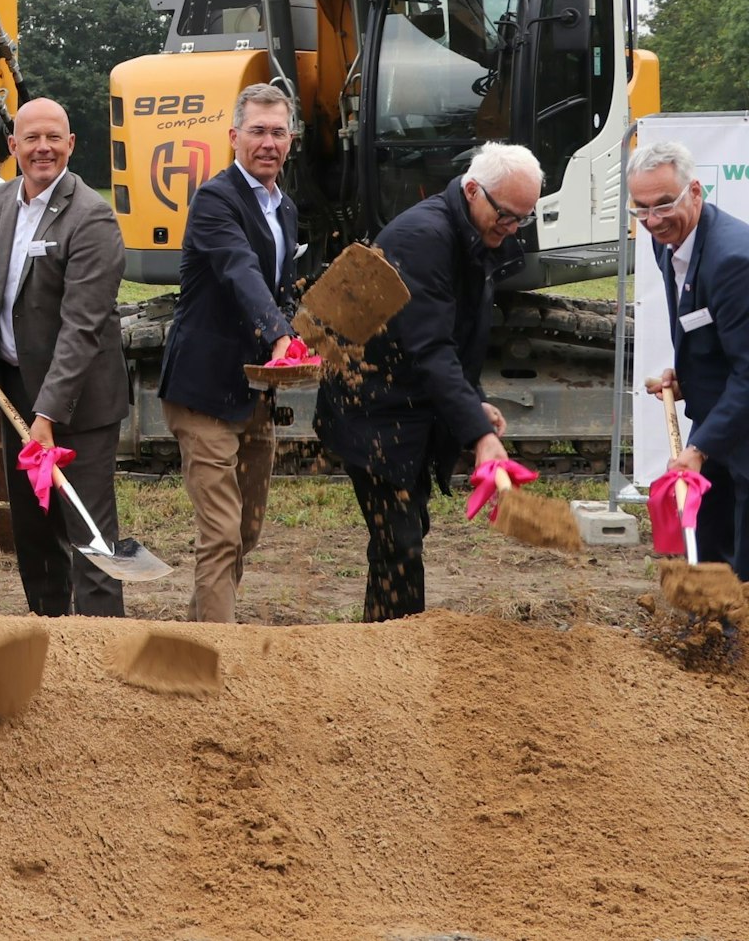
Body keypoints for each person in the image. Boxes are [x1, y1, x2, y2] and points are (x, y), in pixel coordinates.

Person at [315, 142, 535, 622]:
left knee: (404, 533)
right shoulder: (424, 238)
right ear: (472, 190)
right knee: (400, 539)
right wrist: (479, 435)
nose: (512, 228)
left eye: (524, 218)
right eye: (506, 215)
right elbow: (430, 347)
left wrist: (473, 402)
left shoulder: (473, 234)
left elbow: (457, 337)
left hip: (407, 406)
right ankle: (396, 648)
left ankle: (385, 641)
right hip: (370, 407)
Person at [0, 97, 130, 617]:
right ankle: (49, 633)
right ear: (12, 145)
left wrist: (47, 415)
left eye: (54, 138)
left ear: (71, 144)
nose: (43, 148)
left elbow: (83, 327)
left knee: (89, 535)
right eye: (32, 138)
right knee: (34, 533)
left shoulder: (91, 217)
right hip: (15, 393)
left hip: (77, 405)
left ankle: (102, 647)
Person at [157, 83, 303, 622]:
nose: (268, 143)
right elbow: (239, 268)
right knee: (220, 535)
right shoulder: (215, 200)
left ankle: (195, 638)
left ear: (291, 141)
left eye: (278, 132)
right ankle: (218, 655)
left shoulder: (285, 208)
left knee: (245, 531)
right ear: (234, 136)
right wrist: (279, 334)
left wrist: (299, 328)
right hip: (203, 391)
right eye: (257, 131)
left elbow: (280, 285)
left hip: (254, 392)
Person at [633, 141, 749, 581]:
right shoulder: (666, 241)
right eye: (641, 208)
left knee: (743, 562)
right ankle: (711, 620)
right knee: (709, 541)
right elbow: (707, 330)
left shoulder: (734, 261)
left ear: (695, 192)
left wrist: (698, 449)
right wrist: (690, 377)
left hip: (741, 425)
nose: (652, 220)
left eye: (664, 204)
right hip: (722, 417)